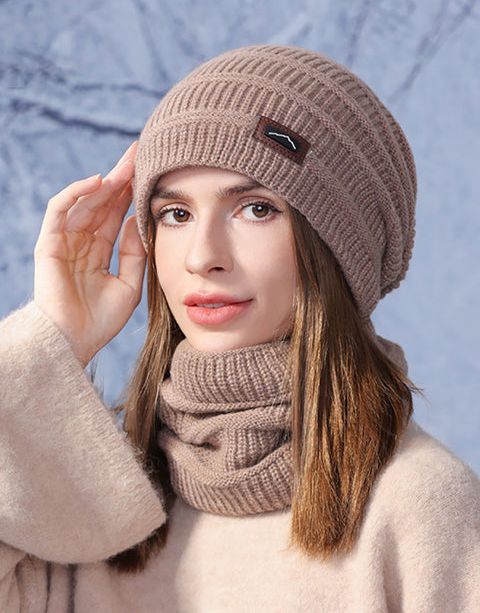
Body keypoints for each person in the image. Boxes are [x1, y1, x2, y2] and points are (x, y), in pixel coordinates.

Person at [0, 45, 479, 612]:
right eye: (174, 214)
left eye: (255, 208)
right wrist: (50, 340)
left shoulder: (422, 506)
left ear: (340, 248)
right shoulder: (77, 498)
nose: (203, 257)